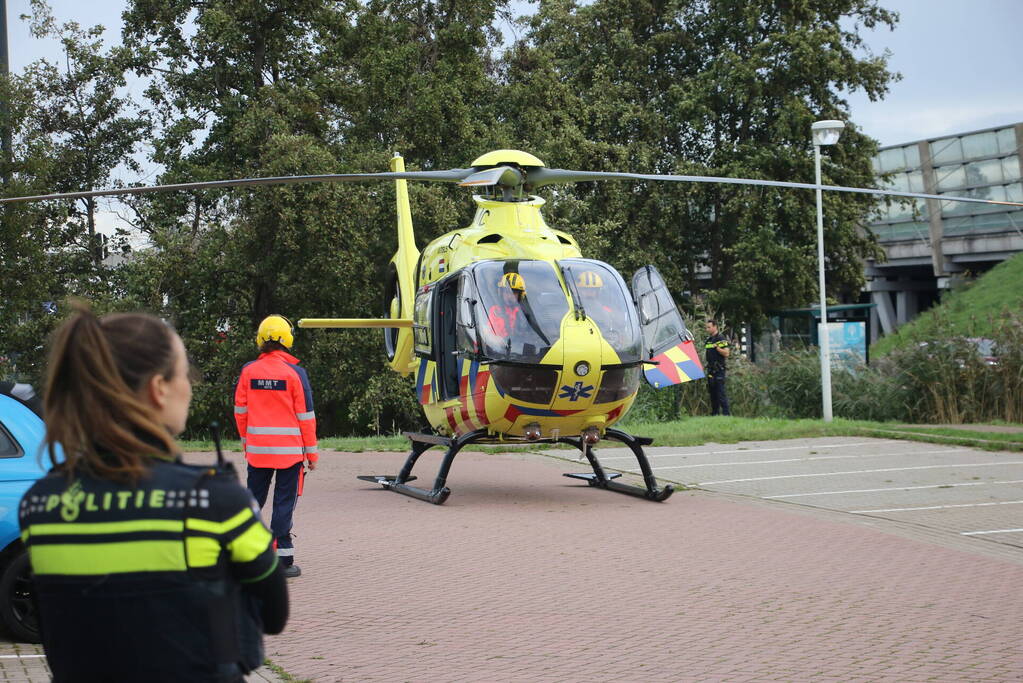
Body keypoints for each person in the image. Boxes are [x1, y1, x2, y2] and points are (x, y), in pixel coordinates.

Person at [19, 302, 287, 683]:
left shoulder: (39, 506)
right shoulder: (214, 501)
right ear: (159, 388)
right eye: (184, 373)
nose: (190, 386)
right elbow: (274, 615)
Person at [234, 314, 318, 579]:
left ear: (260, 339)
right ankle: (283, 560)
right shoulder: (296, 374)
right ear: (287, 339)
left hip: (258, 451)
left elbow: (240, 412)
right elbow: (306, 417)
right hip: (290, 454)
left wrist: (247, 443)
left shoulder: (248, 371)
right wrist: (311, 453)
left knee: (253, 501)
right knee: (284, 503)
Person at [704, 319, 731, 416]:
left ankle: (726, 414)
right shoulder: (709, 340)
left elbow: (727, 353)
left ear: (715, 327)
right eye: (706, 327)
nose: (707, 329)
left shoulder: (721, 338)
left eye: (709, 327)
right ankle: (715, 414)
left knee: (720, 393)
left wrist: (718, 348)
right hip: (711, 370)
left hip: (719, 370)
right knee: (713, 393)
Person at [488, 272, 526, 338]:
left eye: (513, 293)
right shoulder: (496, 311)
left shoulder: (522, 311)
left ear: (520, 295)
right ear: (501, 293)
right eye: (506, 292)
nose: (509, 296)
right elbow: (496, 335)